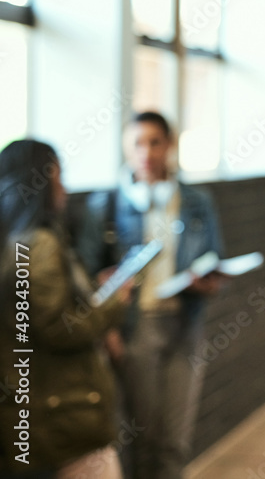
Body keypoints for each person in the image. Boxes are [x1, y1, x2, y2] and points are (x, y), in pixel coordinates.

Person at [77, 112, 225, 479]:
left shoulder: (195, 202)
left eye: (154, 142)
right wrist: (109, 332)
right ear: (127, 149)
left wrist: (206, 280)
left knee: (174, 440)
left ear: (169, 145)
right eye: (137, 143)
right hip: (135, 329)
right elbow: (86, 278)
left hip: (184, 324)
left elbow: (214, 256)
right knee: (143, 438)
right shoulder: (104, 207)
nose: (146, 152)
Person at [0, 140, 130, 478]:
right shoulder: (37, 244)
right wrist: (113, 303)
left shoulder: (11, 241)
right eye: (59, 176)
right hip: (64, 412)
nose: (65, 188)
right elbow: (60, 327)